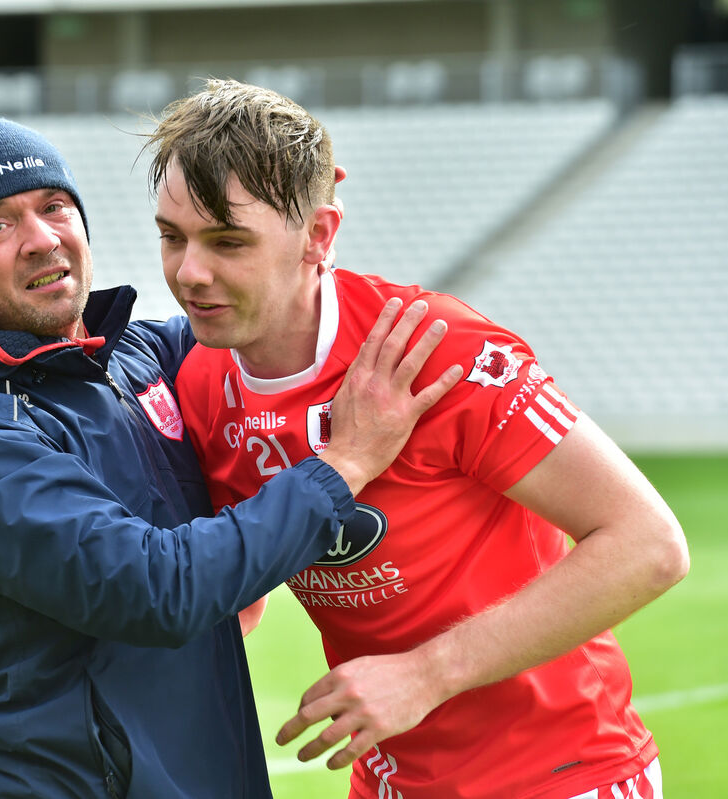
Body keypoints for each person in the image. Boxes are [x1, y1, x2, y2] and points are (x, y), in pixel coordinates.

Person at [0, 116, 460, 798]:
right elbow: (155, 589)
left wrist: (295, 216)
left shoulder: (135, 356)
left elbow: (265, 320)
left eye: (54, 207)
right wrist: (341, 467)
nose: (42, 238)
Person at [148, 79, 690, 799]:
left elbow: (650, 544)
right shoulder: (202, 384)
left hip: (559, 776)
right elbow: (238, 579)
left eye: (228, 241)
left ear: (318, 236)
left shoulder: (432, 350)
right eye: (171, 236)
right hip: (390, 780)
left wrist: (426, 672)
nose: (190, 273)